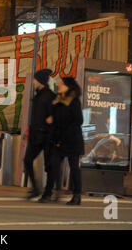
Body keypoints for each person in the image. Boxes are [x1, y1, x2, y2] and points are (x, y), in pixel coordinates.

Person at [42, 77, 84, 205]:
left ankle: (77, 195)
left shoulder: (74, 101)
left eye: (62, 84)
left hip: (72, 140)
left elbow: (79, 120)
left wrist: (56, 120)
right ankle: (48, 193)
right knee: (53, 165)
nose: (60, 85)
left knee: (74, 167)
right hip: (59, 139)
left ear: (68, 86)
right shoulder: (57, 100)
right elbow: (55, 117)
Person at [23, 69, 55, 200]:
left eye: (35, 80)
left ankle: (48, 191)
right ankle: (36, 188)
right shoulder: (38, 95)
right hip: (36, 135)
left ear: (40, 81)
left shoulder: (50, 96)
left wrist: (51, 118)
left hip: (47, 135)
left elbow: (56, 113)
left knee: (49, 165)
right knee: (27, 160)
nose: (33, 82)